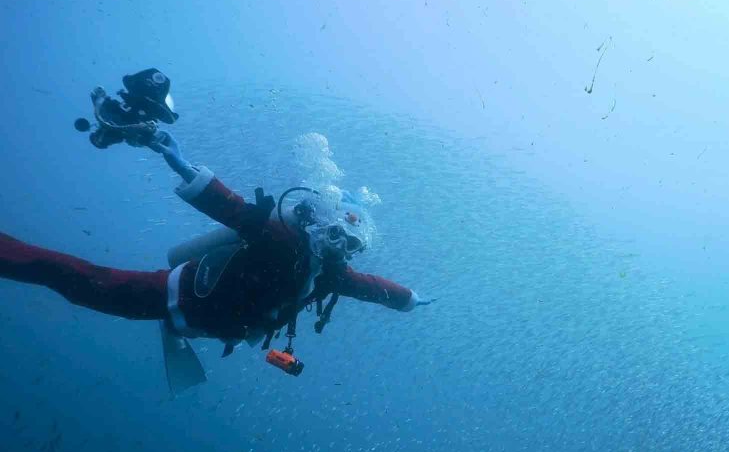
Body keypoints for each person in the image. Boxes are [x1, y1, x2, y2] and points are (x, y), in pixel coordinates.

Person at [0, 131, 431, 391]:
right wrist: (181, 164)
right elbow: (233, 209)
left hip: (212, 324)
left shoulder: (333, 276)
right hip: (171, 296)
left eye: (351, 244)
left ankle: (174, 332)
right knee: (77, 279)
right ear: (320, 223)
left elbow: (372, 287)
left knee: (80, 283)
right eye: (336, 234)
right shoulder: (281, 236)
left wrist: (408, 298)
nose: (339, 247)